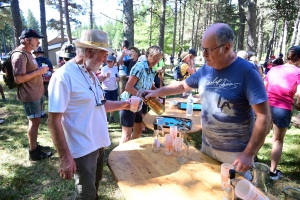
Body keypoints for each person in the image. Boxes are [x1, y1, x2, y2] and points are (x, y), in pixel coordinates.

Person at [145, 23, 271, 179]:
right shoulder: (206, 68)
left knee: (232, 192)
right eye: (202, 48)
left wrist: (249, 153)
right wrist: (157, 91)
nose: (203, 54)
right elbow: (183, 85)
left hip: (235, 154)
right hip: (207, 146)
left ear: (227, 47)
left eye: (208, 50)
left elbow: (264, 116)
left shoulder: (247, 72)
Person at [47, 29, 130, 199]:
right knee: (86, 195)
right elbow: (53, 121)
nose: (105, 60)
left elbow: (99, 105)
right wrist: (64, 158)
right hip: (82, 149)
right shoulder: (63, 76)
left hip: (99, 143)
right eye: (103, 55)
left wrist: (125, 104)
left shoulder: (91, 73)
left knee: (94, 189)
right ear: (89, 52)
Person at [11, 29, 53, 161]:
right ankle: (33, 152)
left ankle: (34, 144)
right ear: (27, 40)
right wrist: (39, 72)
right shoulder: (19, 56)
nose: (38, 42)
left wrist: (40, 73)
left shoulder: (28, 54)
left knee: (36, 121)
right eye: (36, 39)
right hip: (30, 95)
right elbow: (18, 79)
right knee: (34, 122)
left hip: (36, 94)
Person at [264, 46, 300, 180]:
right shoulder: (298, 72)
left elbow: (264, 87)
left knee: (262, 133)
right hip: (283, 108)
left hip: (267, 106)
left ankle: (251, 159)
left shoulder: (274, 69)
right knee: (278, 141)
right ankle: (273, 172)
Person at [119, 46, 163, 144]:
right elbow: (128, 87)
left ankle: (131, 151)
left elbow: (151, 87)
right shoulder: (140, 67)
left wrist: (159, 93)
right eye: (154, 57)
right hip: (129, 104)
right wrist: (143, 96)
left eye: (159, 58)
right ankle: (121, 156)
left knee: (138, 130)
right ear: (148, 55)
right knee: (126, 135)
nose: (156, 60)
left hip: (138, 105)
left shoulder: (152, 70)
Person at [32, 46, 54, 118]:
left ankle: (42, 112)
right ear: (42, 53)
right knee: (50, 98)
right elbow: (51, 71)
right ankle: (53, 112)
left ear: (35, 53)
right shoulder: (48, 60)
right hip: (48, 82)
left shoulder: (33, 61)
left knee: (40, 99)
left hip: (38, 83)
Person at [100, 54, 120, 123]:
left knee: (113, 103)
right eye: (107, 61)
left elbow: (118, 77)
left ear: (113, 62)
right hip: (106, 88)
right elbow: (101, 80)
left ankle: (111, 116)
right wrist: (105, 76)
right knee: (106, 103)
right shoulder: (104, 69)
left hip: (114, 88)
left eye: (110, 61)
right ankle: (106, 118)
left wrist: (118, 79)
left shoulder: (115, 68)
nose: (108, 63)